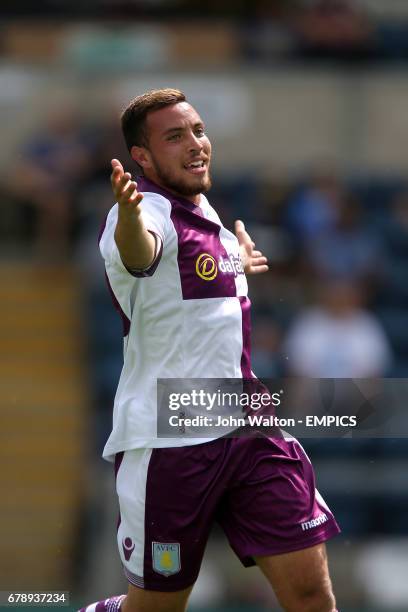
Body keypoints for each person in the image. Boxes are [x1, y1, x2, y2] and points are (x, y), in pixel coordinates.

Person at [80, 89, 340, 612]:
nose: (196, 143)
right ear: (142, 158)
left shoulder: (205, 211)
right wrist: (128, 215)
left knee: (311, 596)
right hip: (170, 440)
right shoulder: (139, 212)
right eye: (175, 136)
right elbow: (142, 249)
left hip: (247, 424)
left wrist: (237, 261)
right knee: (157, 607)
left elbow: (192, 296)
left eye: (198, 130)